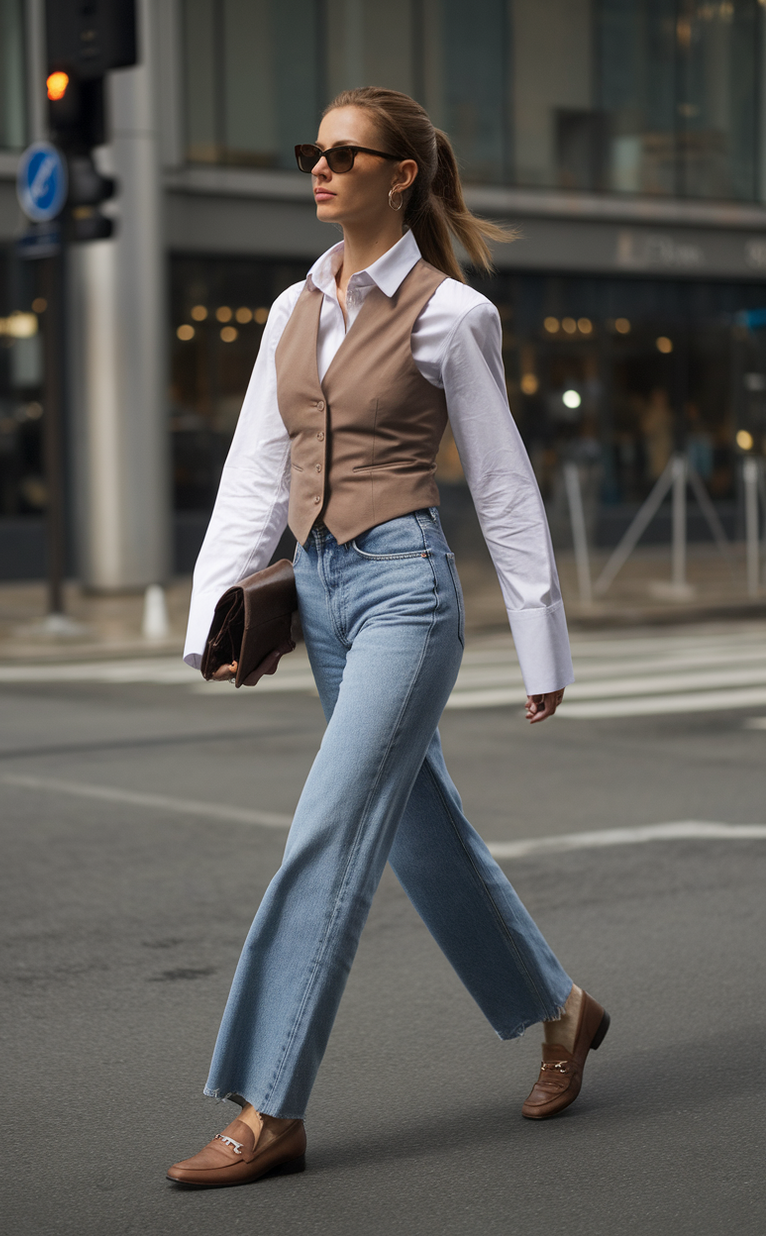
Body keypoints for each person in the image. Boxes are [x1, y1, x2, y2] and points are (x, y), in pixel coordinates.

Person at [168, 87, 609, 1189]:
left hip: (403, 594)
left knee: (324, 834)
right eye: (309, 149)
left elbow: (502, 484)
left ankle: (269, 1108)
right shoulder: (290, 308)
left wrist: (539, 640)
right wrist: (212, 616)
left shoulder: (452, 314)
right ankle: (563, 1014)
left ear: (396, 174)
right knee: (420, 834)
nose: (317, 168)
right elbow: (254, 476)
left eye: (341, 153)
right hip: (314, 594)